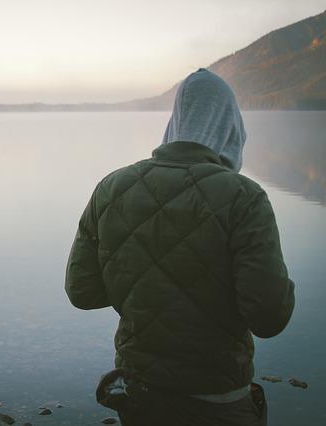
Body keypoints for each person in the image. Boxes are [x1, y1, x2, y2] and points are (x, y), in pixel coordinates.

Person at [64, 68, 295, 426]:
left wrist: (144, 286)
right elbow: (268, 318)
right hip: (217, 400)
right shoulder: (244, 198)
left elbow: (82, 291)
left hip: (138, 395)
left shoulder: (111, 188)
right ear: (230, 128)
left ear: (176, 122)